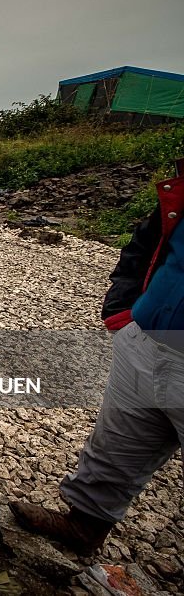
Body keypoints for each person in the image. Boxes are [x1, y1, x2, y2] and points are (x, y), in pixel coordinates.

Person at [10, 158, 183, 555]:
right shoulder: (179, 190)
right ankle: (83, 524)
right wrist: (123, 312)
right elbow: (145, 243)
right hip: (147, 339)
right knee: (115, 446)